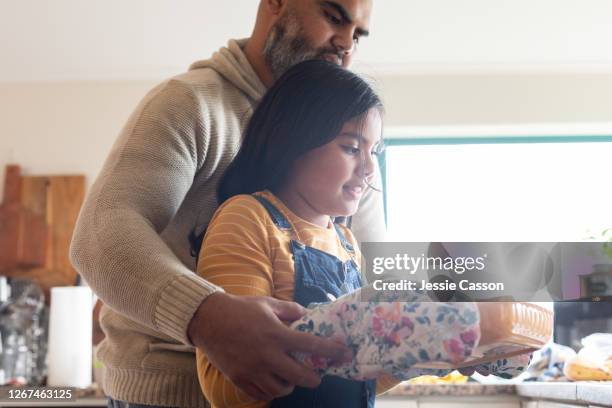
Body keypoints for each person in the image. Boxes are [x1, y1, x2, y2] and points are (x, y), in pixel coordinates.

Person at [69, 1, 383, 407]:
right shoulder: (190, 103)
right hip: (167, 396)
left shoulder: (349, 152)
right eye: (334, 17)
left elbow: (375, 274)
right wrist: (206, 316)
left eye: (357, 35)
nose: (346, 44)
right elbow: (101, 232)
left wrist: (455, 327)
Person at [194, 60, 531, 408]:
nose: (370, 169)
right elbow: (226, 388)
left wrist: (424, 352)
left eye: (374, 152)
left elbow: (362, 378)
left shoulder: (346, 244)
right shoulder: (247, 218)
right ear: (293, 141)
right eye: (352, 148)